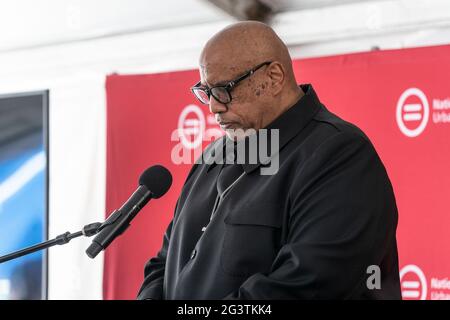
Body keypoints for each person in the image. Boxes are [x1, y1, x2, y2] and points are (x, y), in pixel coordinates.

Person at [137, 21, 401, 299]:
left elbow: (305, 286)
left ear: (274, 77)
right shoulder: (213, 154)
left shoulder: (340, 155)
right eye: (206, 92)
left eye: (224, 89)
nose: (214, 106)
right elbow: (165, 263)